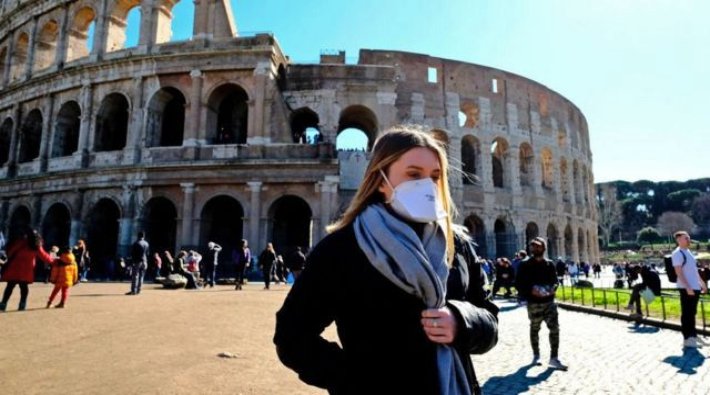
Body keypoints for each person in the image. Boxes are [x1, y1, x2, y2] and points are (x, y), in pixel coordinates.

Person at [273, 127, 498, 394]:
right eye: (414, 174)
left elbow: (490, 320)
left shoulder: (456, 244)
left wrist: (461, 320)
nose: (427, 186)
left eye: (435, 177)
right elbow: (292, 336)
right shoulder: (342, 249)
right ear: (381, 180)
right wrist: (355, 381)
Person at [515, 237, 567, 370]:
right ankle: (536, 355)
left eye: (538, 246)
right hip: (534, 303)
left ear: (544, 248)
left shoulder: (549, 264)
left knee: (555, 329)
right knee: (535, 328)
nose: (536, 248)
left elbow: (555, 281)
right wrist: (532, 290)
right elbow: (519, 283)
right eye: (533, 246)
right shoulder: (525, 264)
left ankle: (554, 358)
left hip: (549, 302)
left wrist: (551, 290)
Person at [0, 228, 53, 312]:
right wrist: (53, 262)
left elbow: (11, 252)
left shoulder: (21, 242)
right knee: (24, 288)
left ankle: (3, 304)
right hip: (27, 270)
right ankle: (22, 305)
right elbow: (44, 256)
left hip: (15, 267)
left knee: (10, 287)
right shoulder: (36, 245)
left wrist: (8, 258)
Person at [672, 231, 708, 348]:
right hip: (686, 287)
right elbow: (679, 272)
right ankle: (687, 338)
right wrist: (687, 287)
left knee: (692, 313)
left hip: (694, 287)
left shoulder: (688, 252)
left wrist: (702, 283)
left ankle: (693, 335)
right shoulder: (677, 253)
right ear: (678, 240)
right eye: (686, 238)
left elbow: (694, 270)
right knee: (687, 313)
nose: (689, 240)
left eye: (689, 238)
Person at [127, 231, 149, 295]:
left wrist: (132, 262)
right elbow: (147, 253)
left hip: (137, 261)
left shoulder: (136, 243)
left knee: (135, 276)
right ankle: (139, 290)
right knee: (141, 276)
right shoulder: (147, 243)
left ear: (138, 236)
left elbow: (133, 254)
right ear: (143, 236)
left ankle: (133, 290)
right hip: (145, 261)